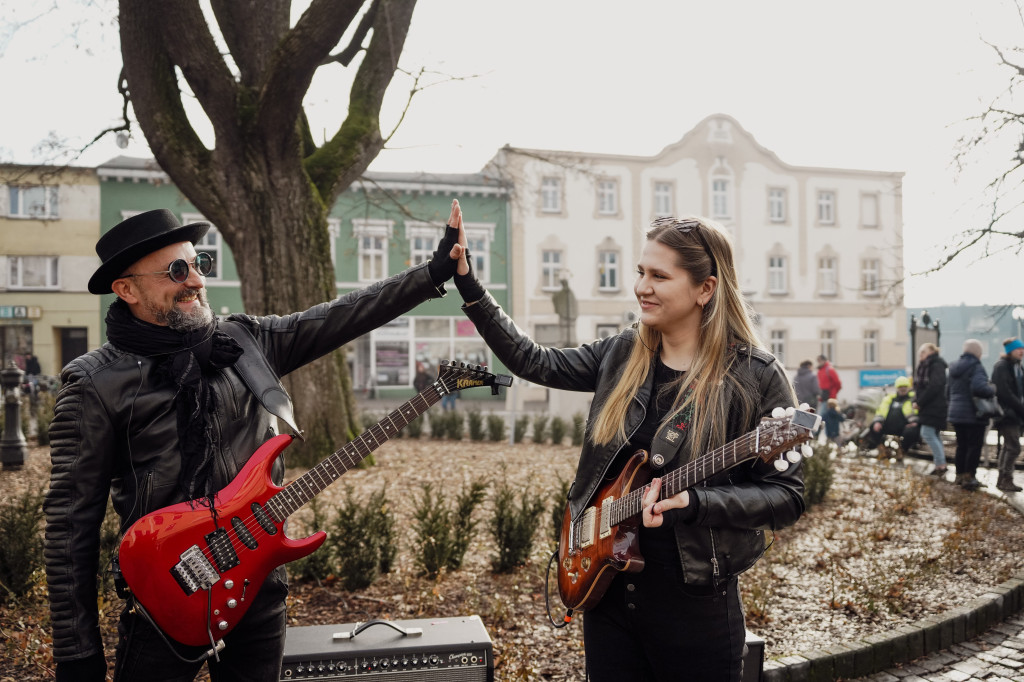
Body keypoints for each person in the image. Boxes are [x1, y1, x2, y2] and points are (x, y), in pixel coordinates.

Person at [43, 206, 467, 682]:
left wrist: (431, 273)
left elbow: (342, 315)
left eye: (198, 264)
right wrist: (76, 653)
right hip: (163, 598)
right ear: (126, 289)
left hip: (257, 588)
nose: (196, 281)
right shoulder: (95, 383)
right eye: (175, 271)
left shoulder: (243, 341)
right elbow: (68, 525)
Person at [450, 205, 804, 682]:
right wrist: (469, 285)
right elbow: (532, 361)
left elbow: (786, 497)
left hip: (695, 607)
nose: (641, 286)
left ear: (705, 288)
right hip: (609, 594)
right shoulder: (621, 354)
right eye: (641, 272)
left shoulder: (753, 377)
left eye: (659, 275)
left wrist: (695, 502)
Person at [947, 338, 996, 491]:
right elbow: (979, 387)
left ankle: (959, 475)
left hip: (956, 413)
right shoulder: (976, 367)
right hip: (974, 414)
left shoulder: (953, 367)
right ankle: (970, 478)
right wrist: (993, 390)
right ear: (978, 353)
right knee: (974, 446)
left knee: (961, 446)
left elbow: (947, 391)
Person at [991, 338, 1024, 492]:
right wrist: (1019, 407)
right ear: (1010, 350)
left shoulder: (1017, 366)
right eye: (1018, 349)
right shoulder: (1002, 367)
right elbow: (1005, 392)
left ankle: (1002, 479)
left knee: (1008, 446)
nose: (1021, 351)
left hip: (1015, 413)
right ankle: (1006, 478)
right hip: (1007, 413)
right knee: (1014, 447)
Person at [914, 342, 949, 477]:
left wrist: (920, 402)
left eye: (923, 352)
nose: (920, 355)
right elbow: (919, 388)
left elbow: (935, 386)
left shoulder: (936, 365)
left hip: (934, 406)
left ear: (931, 352)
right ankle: (940, 464)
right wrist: (917, 401)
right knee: (934, 434)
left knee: (927, 433)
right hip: (929, 406)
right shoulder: (926, 366)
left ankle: (941, 465)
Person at [863, 376, 920, 459]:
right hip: (888, 426)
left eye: (905, 386)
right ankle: (882, 449)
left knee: (911, 431)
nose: (902, 389)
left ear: (908, 387)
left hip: (905, 427)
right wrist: (877, 422)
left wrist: (915, 422)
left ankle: (902, 451)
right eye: (900, 386)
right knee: (873, 426)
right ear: (897, 388)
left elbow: (917, 414)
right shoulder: (889, 399)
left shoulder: (913, 399)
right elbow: (880, 412)